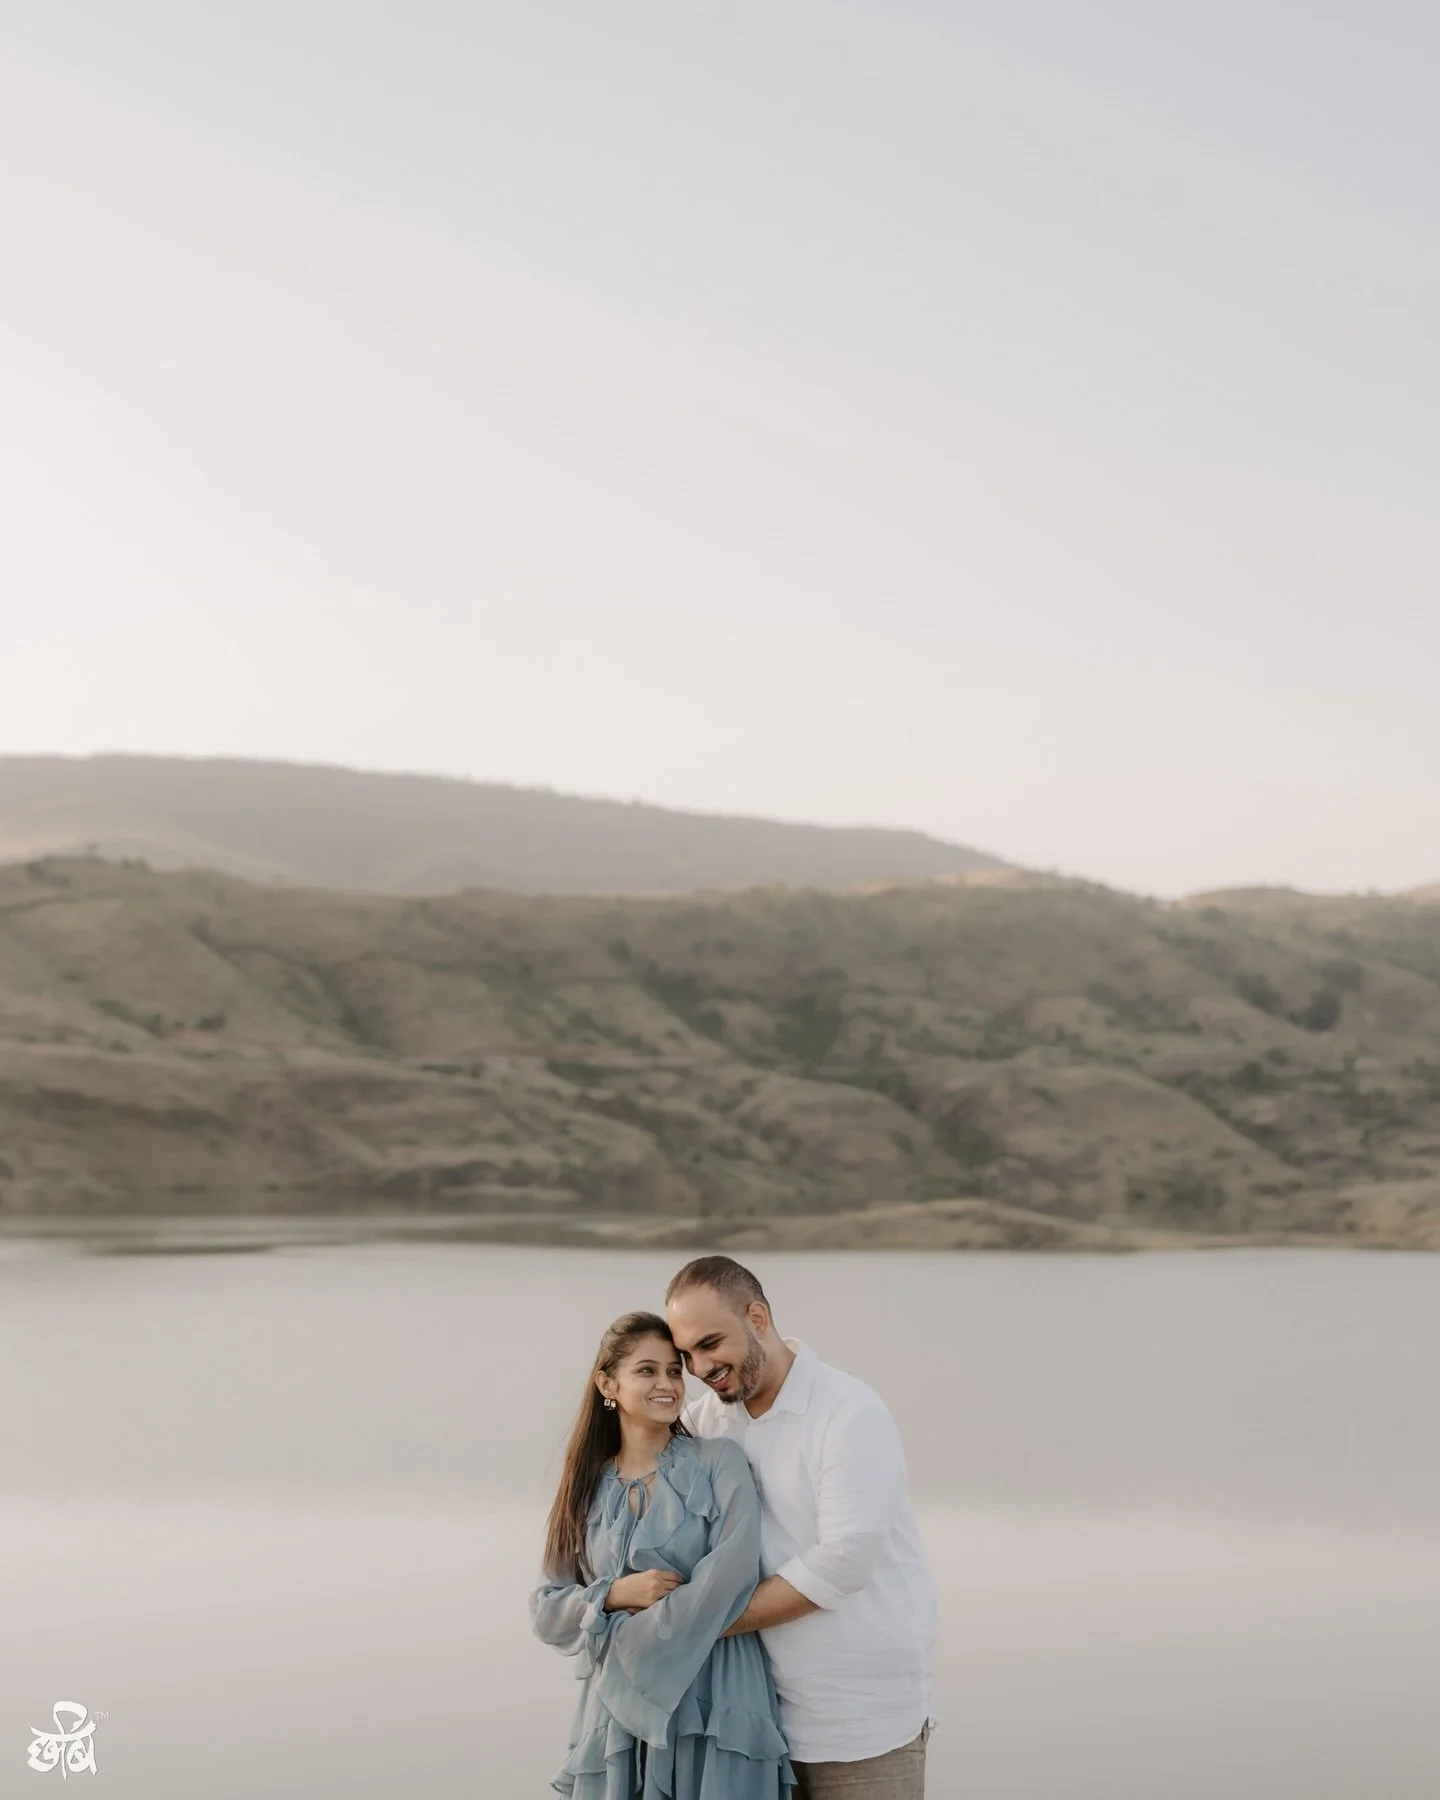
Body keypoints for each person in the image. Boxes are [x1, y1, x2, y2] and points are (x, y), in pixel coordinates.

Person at [666, 1257, 937, 1800]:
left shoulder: (849, 1413)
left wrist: (698, 1622)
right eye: (686, 1355)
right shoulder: (709, 1421)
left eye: (711, 1343)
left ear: (758, 1317)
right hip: (752, 1718)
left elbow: (841, 1564)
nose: (700, 1368)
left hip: (859, 1723)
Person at [531, 1309, 795, 1799]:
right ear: (606, 1384)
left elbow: (730, 1577)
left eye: (675, 1370)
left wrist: (629, 1639)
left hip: (715, 1693)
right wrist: (613, 1594)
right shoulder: (584, 1489)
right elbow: (548, 1610)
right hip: (617, 1706)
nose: (668, 1383)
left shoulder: (720, 1462)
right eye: (647, 1370)